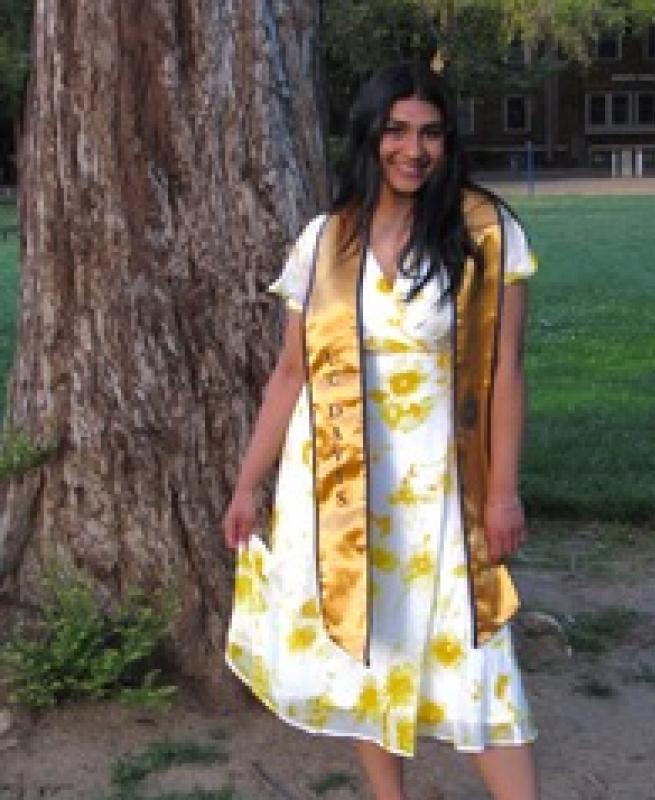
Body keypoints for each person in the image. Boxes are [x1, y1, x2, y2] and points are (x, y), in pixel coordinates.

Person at [223, 61, 540, 800]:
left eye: (430, 133)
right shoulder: (323, 241)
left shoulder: (487, 233)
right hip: (339, 489)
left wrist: (503, 495)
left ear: (447, 142)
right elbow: (288, 375)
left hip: (440, 493)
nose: (413, 149)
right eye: (396, 130)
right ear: (369, 136)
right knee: (369, 653)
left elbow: (506, 374)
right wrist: (248, 483)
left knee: (481, 661)